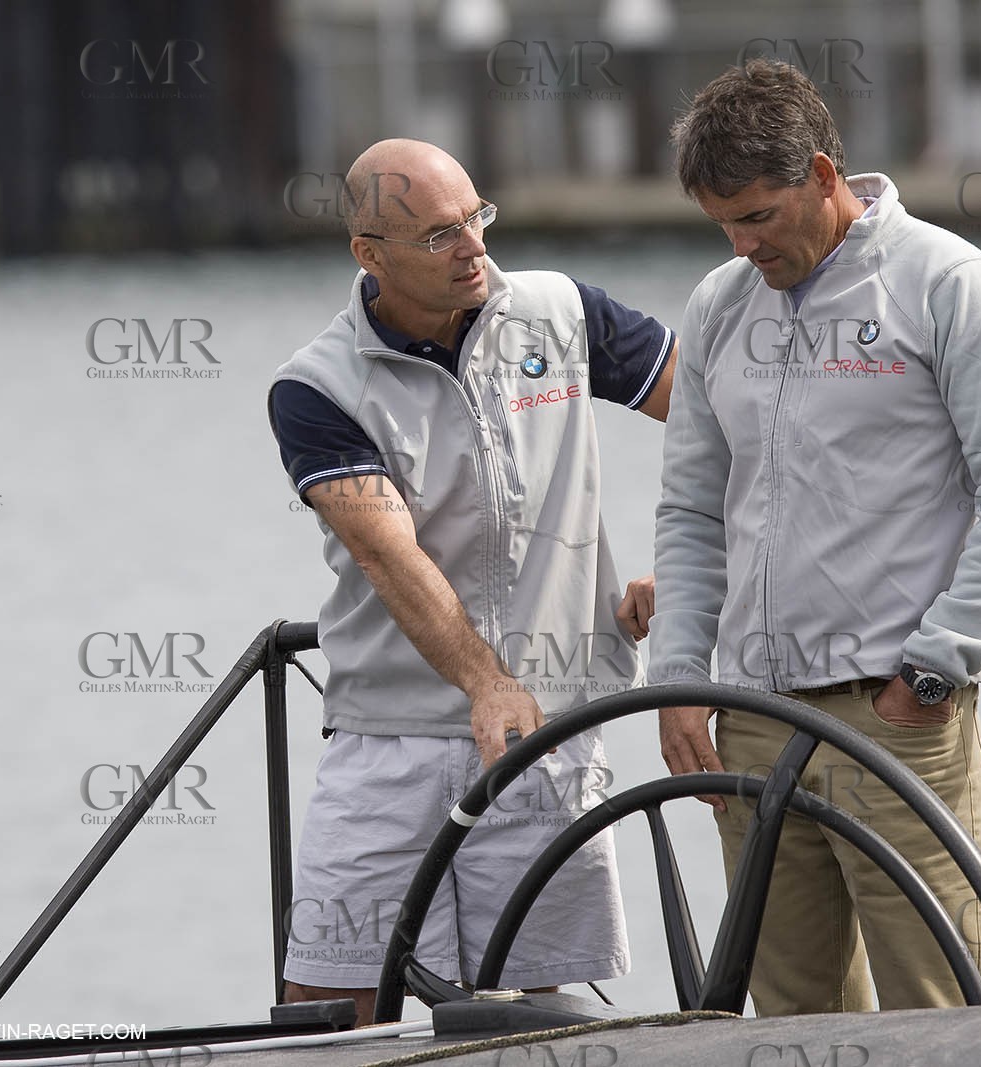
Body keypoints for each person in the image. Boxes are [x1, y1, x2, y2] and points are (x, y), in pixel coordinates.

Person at [650, 60, 981, 1014]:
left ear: (826, 175)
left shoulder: (951, 284)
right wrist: (674, 681)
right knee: (789, 1016)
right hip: (750, 716)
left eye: (759, 215)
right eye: (723, 222)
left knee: (941, 1010)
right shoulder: (719, 303)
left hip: (899, 715)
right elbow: (689, 511)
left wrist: (933, 672)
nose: (742, 242)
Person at [267, 138, 675, 1025]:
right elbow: (387, 553)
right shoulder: (315, 387)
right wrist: (484, 681)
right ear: (370, 256)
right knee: (326, 1009)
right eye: (441, 235)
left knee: (540, 1010)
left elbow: (724, 413)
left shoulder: (562, 311)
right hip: (389, 737)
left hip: (554, 721)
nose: (474, 249)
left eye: (478, 218)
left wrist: (684, 565)